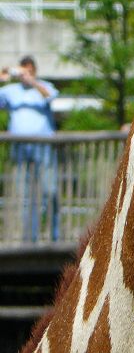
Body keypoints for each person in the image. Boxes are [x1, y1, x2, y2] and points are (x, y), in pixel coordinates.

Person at [0, 56, 60, 242]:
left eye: (29, 70)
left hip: (43, 147)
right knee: (25, 196)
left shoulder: (44, 85)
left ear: (34, 70)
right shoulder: (10, 91)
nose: (25, 74)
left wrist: (32, 81)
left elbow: (50, 96)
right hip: (20, 148)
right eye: (22, 70)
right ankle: (29, 238)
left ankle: (54, 236)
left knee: (49, 191)